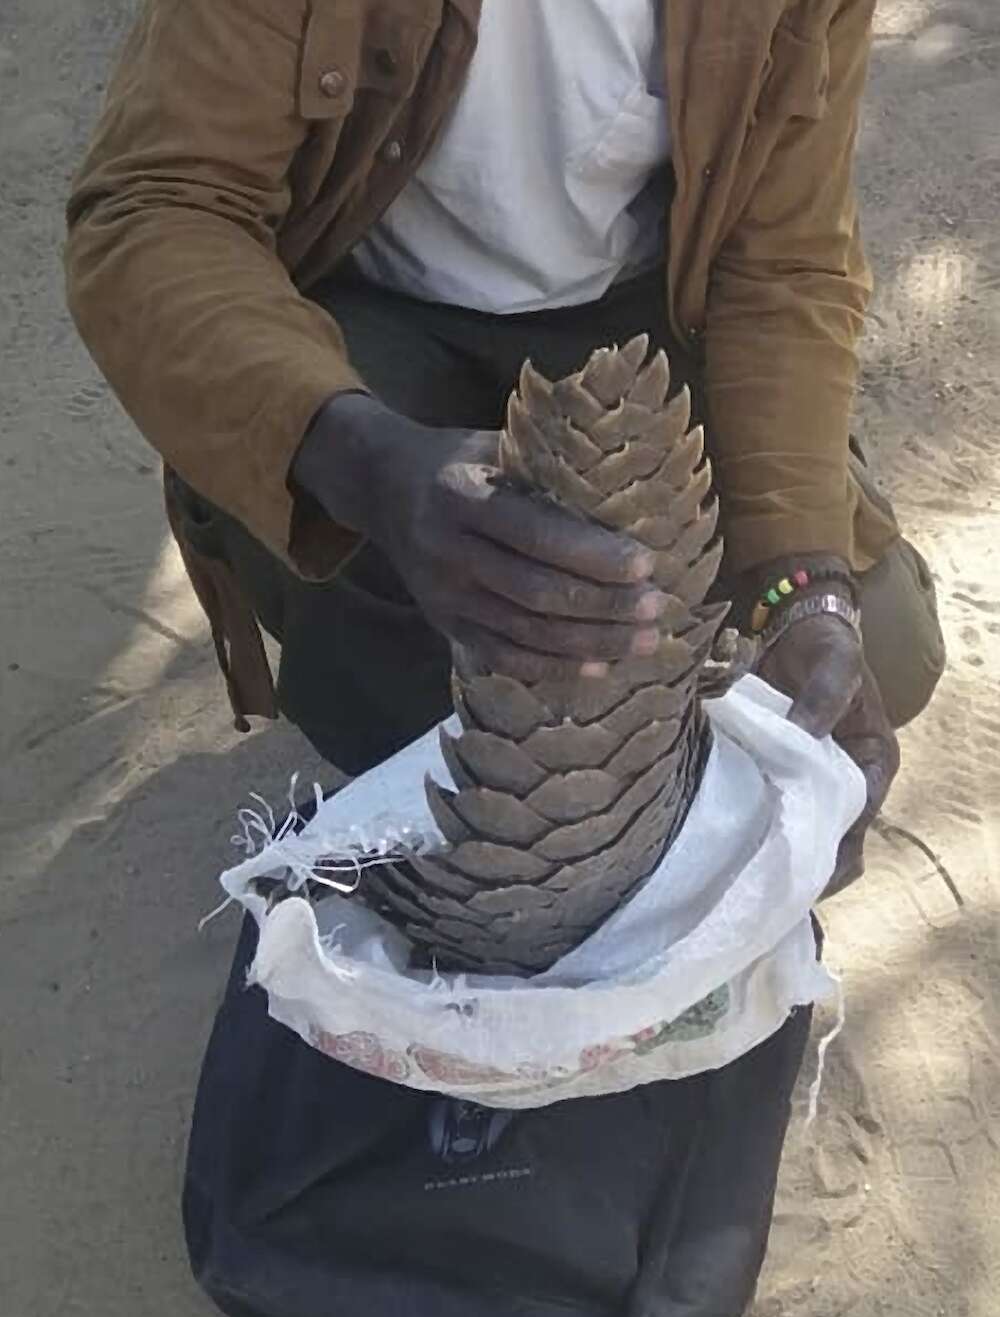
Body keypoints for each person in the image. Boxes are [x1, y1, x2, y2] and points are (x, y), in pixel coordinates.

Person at [65, 0, 944, 893]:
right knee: (437, 705)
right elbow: (157, 211)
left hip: (642, 310)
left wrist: (798, 579)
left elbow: (784, 262)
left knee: (871, 646)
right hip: (362, 325)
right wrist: (360, 461)